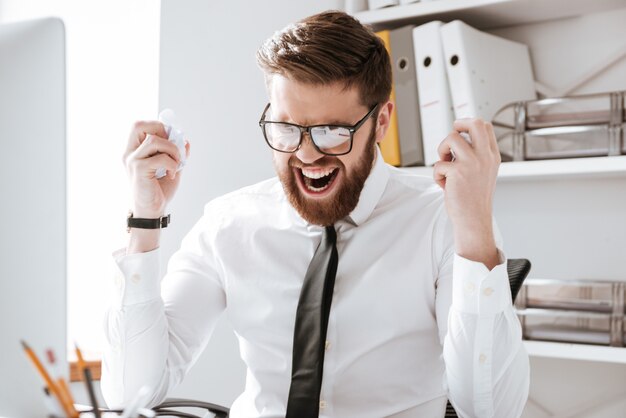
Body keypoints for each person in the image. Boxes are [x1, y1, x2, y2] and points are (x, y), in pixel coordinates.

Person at [101, 10, 529, 418]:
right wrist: (145, 220)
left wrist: (474, 226)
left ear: (381, 122)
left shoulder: (443, 219)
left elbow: (489, 409)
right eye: (286, 129)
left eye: (332, 131)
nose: (307, 153)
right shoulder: (229, 223)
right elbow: (132, 391)